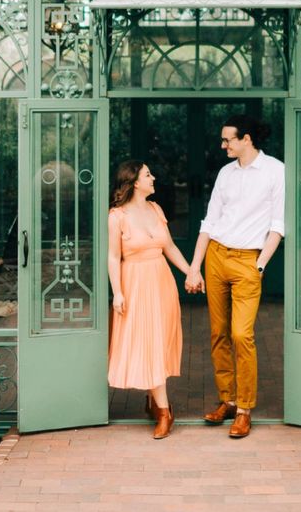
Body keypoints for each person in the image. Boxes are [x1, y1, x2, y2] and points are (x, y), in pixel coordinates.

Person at [188, 114, 284, 438]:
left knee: (242, 335)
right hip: (216, 256)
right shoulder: (225, 174)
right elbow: (209, 221)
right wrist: (194, 267)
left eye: (228, 139)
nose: (223, 145)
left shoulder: (275, 171)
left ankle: (244, 410)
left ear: (246, 139)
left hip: (248, 261)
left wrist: (259, 265)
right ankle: (226, 401)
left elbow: (277, 226)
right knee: (218, 333)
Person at [108, 159, 193, 439]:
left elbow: (169, 247)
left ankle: (153, 400)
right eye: (147, 174)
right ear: (134, 182)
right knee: (148, 341)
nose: (153, 178)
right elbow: (113, 257)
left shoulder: (156, 209)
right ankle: (165, 412)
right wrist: (117, 292)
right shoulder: (117, 216)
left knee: (158, 340)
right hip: (135, 283)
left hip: (161, 281)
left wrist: (192, 271)